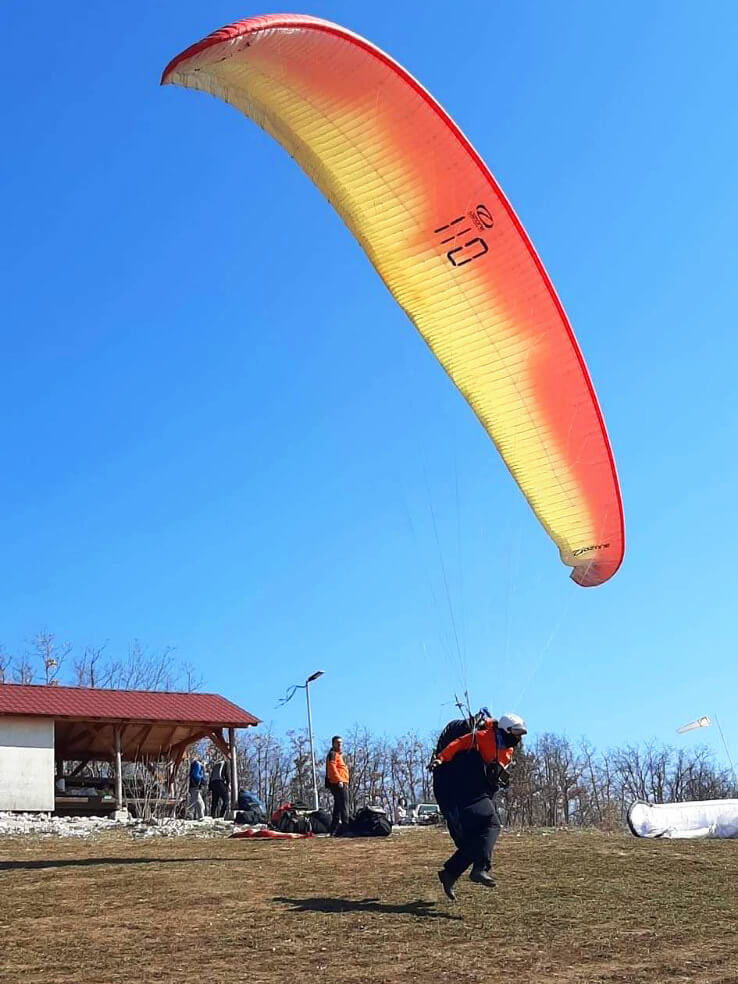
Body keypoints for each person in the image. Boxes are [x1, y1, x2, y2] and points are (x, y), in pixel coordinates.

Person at [430, 711, 527, 900]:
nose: (518, 739)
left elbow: (499, 767)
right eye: (516, 734)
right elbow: (459, 743)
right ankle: (480, 868)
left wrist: (500, 777)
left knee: (477, 838)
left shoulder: (508, 749)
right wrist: (441, 758)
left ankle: (450, 873)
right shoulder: (483, 736)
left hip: (483, 790)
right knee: (492, 824)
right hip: (466, 789)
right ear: (506, 731)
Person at [325, 735, 350, 835]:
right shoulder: (333, 754)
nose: (340, 744)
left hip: (341, 782)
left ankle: (333, 829)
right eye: (337, 742)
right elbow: (332, 768)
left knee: (338, 807)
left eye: (341, 743)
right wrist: (339, 780)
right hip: (338, 783)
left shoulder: (338, 755)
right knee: (344, 805)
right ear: (333, 744)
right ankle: (346, 829)